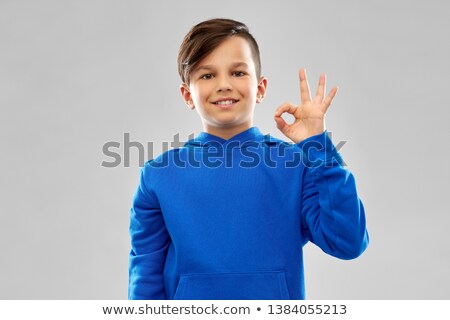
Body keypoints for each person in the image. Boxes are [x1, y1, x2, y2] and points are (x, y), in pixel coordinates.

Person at [128, 18, 369, 300]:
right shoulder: (159, 175)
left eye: (238, 73)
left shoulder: (296, 165)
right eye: (207, 76)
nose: (224, 85)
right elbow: (145, 278)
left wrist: (317, 145)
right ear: (187, 95)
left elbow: (347, 242)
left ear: (261, 88)